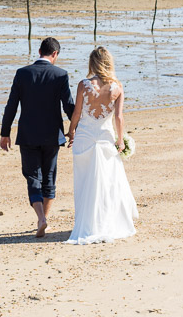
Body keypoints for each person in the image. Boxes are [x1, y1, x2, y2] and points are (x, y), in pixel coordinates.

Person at [0, 37, 75, 238]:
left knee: (33, 176)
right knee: (49, 176)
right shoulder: (60, 75)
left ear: (39, 50)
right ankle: (45, 220)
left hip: (28, 134)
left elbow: (12, 105)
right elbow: (69, 106)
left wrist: (4, 132)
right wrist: (76, 128)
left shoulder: (22, 73)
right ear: (55, 54)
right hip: (52, 135)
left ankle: (41, 218)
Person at [65, 46, 138, 244]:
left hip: (85, 138)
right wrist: (120, 140)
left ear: (92, 63)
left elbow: (77, 113)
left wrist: (71, 132)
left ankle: (87, 223)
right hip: (105, 139)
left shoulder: (83, 85)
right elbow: (119, 117)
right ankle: (107, 221)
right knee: (107, 183)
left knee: (84, 181)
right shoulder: (117, 87)